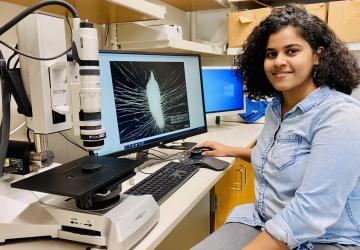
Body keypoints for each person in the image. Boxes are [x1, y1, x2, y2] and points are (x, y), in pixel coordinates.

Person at [192, 4, 360, 250]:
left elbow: (312, 210)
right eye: (271, 54)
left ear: (317, 56)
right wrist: (231, 149)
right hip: (265, 219)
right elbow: (279, 158)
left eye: (291, 51)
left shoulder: (340, 116)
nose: (278, 61)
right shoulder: (276, 107)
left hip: (323, 238)